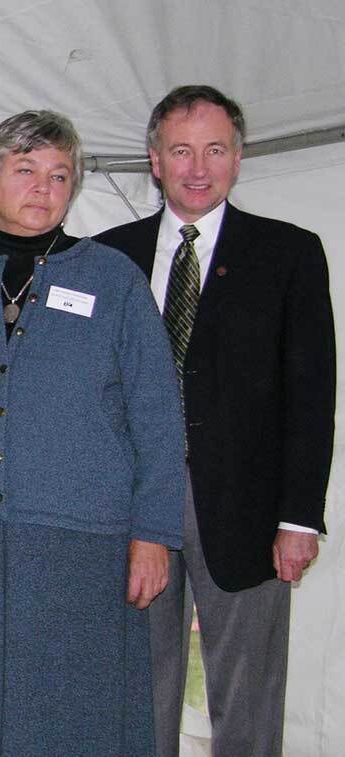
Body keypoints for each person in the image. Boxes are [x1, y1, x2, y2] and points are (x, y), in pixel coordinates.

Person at [0, 110, 185, 755]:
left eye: (59, 174)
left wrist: (154, 534)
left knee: (87, 709)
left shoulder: (112, 278)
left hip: (84, 536)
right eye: (26, 169)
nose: (43, 186)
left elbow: (157, 413)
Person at [95, 86, 334, 757]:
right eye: (181, 150)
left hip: (251, 515)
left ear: (238, 157)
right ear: (155, 160)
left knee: (249, 699)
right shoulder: (106, 256)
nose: (198, 167)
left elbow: (312, 394)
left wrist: (298, 518)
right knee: (140, 690)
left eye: (215, 149)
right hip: (132, 508)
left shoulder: (289, 254)